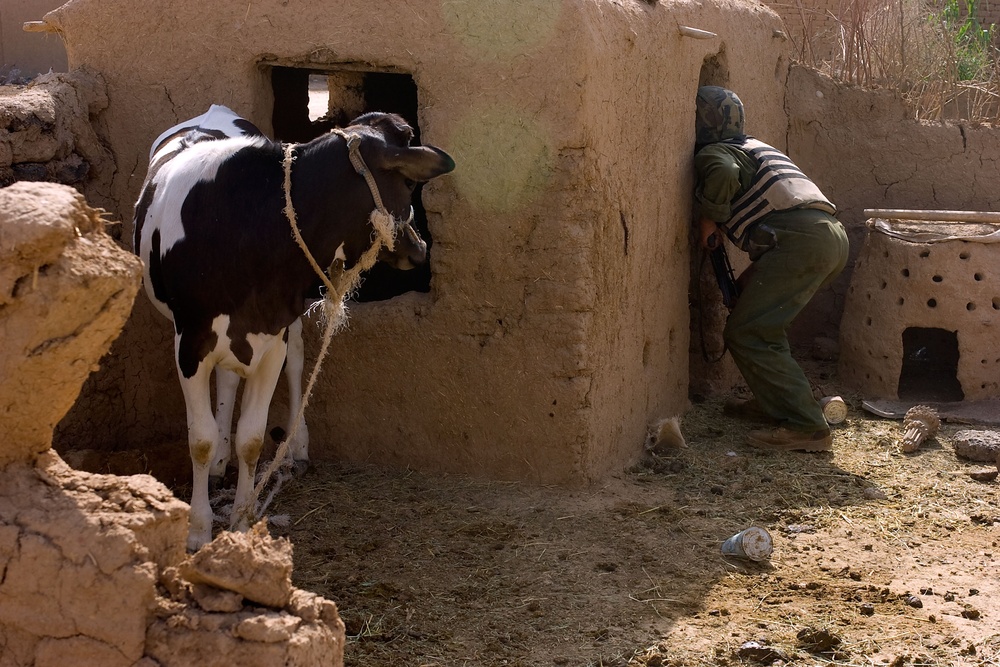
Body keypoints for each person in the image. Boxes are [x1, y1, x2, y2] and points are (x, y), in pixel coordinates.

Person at [693, 86, 849, 452]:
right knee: (765, 325)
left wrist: (708, 222)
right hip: (829, 237)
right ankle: (777, 404)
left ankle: (807, 427)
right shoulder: (755, 146)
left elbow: (724, 171)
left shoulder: (719, 152)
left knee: (748, 333)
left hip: (801, 243)